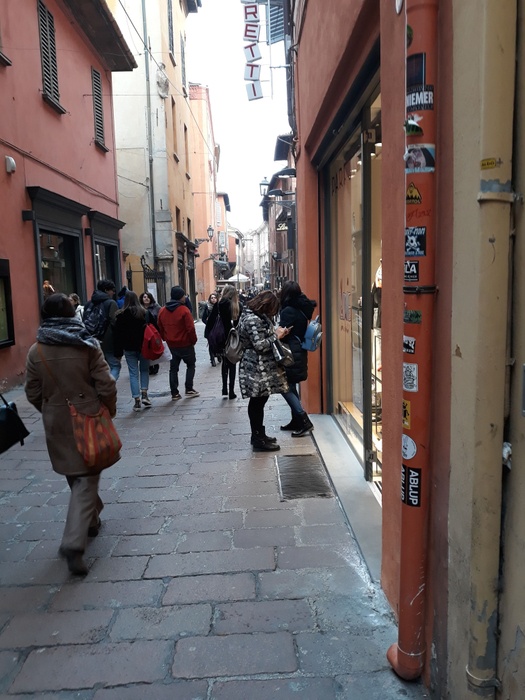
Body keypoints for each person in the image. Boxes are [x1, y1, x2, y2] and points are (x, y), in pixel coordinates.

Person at [25, 293, 117, 576]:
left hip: (56, 422)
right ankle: (73, 544)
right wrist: (108, 409)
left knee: (75, 474)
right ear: (71, 314)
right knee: (87, 478)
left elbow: (32, 392)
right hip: (88, 416)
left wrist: (50, 411)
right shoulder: (86, 344)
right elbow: (106, 384)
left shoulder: (36, 351)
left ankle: (91, 520)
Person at [238, 290, 290, 451]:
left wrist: (277, 333)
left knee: (260, 400)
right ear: (266, 306)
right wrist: (277, 336)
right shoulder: (253, 319)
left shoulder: (257, 316)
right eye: (273, 309)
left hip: (260, 366)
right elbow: (260, 345)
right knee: (257, 401)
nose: (273, 312)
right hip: (255, 367)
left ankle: (259, 435)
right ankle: (257, 438)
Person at [279, 280, 316, 437]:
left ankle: (304, 420)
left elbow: (281, 332)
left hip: (290, 351)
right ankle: (296, 420)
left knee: (284, 386)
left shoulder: (288, 311)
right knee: (291, 385)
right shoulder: (302, 308)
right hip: (299, 350)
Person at [157, 286, 200, 400]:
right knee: (191, 365)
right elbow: (190, 328)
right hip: (185, 344)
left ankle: (174, 393)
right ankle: (189, 388)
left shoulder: (162, 311)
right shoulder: (184, 310)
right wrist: (193, 340)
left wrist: (165, 338)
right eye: (183, 295)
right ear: (180, 297)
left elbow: (160, 327)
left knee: (173, 369)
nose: (185, 297)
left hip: (171, 345)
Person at [113, 291, 152, 412]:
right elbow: (153, 327)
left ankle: (137, 400)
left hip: (129, 348)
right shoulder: (144, 313)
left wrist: (118, 352)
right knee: (144, 370)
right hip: (143, 346)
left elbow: (117, 336)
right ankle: (144, 394)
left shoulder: (120, 315)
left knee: (133, 373)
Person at [205, 284, 242, 398]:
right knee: (232, 363)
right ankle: (231, 391)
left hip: (220, 338)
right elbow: (238, 324)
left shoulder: (219, 305)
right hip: (232, 338)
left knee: (224, 363)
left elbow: (210, 321)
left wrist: (208, 335)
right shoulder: (238, 305)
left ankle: (224, 388)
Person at [83, 279, 121, 381]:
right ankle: (108, 385)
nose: (113, 292)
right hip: (107, 340)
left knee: (98, 367)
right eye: (112, 290)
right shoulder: (111, 303)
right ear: (106, 290)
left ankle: (99, 386)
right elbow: (115, 323)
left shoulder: (89, 303)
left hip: (91, 340)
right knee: (115, 366)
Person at [139, 292, 162, 375]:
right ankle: (149, 366)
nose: (146, 298)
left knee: (154, 347)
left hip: (154, 331)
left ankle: (155, 365)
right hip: (143, 332)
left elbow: (159, 320)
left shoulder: (157, 308)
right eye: (144, 297)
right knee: (146, 348)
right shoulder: (139, 308)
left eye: (148, 297)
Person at [202, 292, 219, 366]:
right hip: (210, 329)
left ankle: (219, 355)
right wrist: (208, 323)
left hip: (218, 328)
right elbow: (203, 318)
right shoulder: (207, 307)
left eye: (215, 298)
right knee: (211, 344)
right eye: (212, 298)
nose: (213, 299)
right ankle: (212, 359)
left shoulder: (219, 306)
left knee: (218, 343)